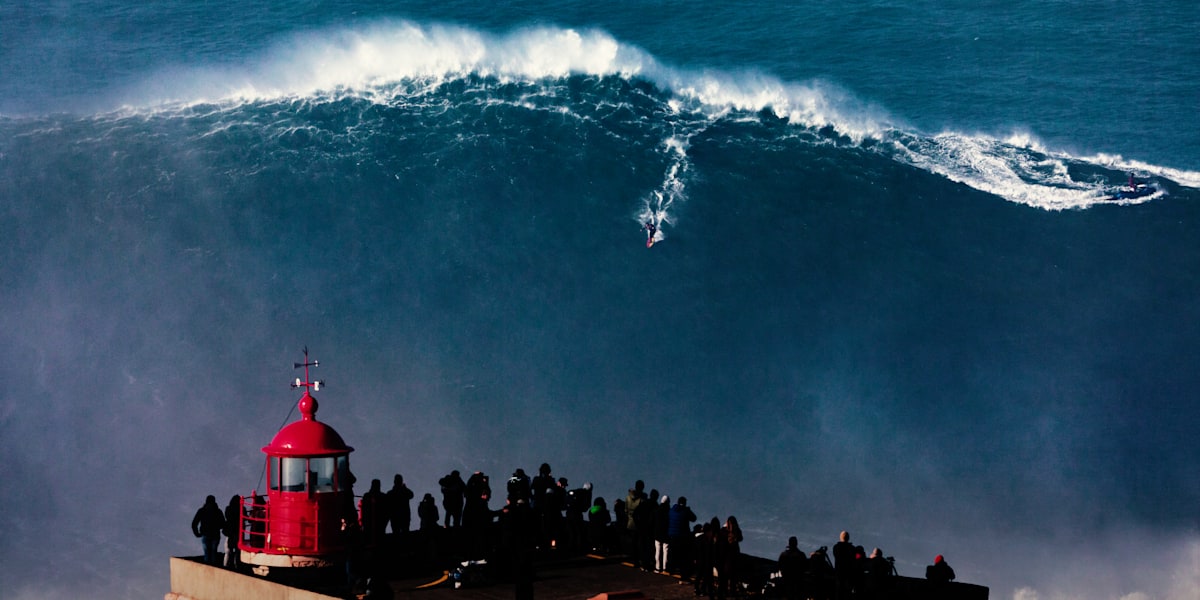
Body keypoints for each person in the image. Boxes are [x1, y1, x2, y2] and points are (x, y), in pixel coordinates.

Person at [191, 495, 226, 565]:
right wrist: (217, 527)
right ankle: (214, 568)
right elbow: (223, 524)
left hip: (205, 534)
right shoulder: (218, 511)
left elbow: (194, 523)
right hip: (215, 535)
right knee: (214, 553)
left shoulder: (202, 510)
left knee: (207, 553)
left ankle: (207, 569)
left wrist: (197, 533)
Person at [667, 496, 697, 575]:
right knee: (682, 554)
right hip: (681, 536)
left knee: (672, 553)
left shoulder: (671, 510)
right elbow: (694, 518)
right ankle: (682, 571)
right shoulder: (685, 511)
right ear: (684, 503)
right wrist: (688, 510)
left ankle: (671, 569)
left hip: (671, 535)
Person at [715, 516, 742, 599]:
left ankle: (723, 592)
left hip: (723, 556)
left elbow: (717, 542)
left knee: (724, 577)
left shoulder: (722, 531)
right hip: (732, 557)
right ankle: (732, 592)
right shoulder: (736, 531)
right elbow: (740, 538)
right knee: (733, 576)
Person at [360, 479, 388, 546]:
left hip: (374, 524)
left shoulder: (367, 496)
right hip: (376, 524)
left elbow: (363, 510)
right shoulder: (383, 496)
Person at [832, 531, 856, 600]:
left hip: (839, 573)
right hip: (849, 574)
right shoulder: (852, 549)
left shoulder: (836, 547)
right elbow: (855, 558)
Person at [222, 495, 242, 569]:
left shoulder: (228, 508)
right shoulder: (242, 508)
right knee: (238, 550)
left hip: (230, 531)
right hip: (238, 531)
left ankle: (226, 564)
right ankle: (237, 564)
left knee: (228, 550)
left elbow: (227, 516)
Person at [653, 495, 671, 572]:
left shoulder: (657, 510)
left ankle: (657, 567)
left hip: (657, 532)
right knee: (665, 550)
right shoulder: (669, 511)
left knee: (658, 550)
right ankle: (665, 567)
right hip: (666, 533)